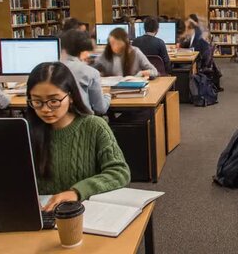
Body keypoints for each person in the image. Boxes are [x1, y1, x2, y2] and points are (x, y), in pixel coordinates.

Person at [26, 62, 130, 211]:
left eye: (54, 101)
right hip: (43, 213)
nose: (45, 109)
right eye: (37, 101)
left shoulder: (94, 126)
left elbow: (119, 172)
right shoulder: (27, 132)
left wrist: (77, 192)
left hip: (86, 212)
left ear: (71, 97)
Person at [59, 29, 110, 115]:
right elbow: (101, 108)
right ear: (83, 51)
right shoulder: (90, 72)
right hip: (84, 122)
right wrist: (108, 96)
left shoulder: (51, 68)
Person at [93, 27, 158, 78]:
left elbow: (154, 71)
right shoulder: (107, 53)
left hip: (133, 89)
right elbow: (92, 69)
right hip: (110, 89)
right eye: (111, 43)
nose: (114, 46)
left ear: (125, 43)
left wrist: (142, 73)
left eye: (117, 43)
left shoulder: (135, 52)